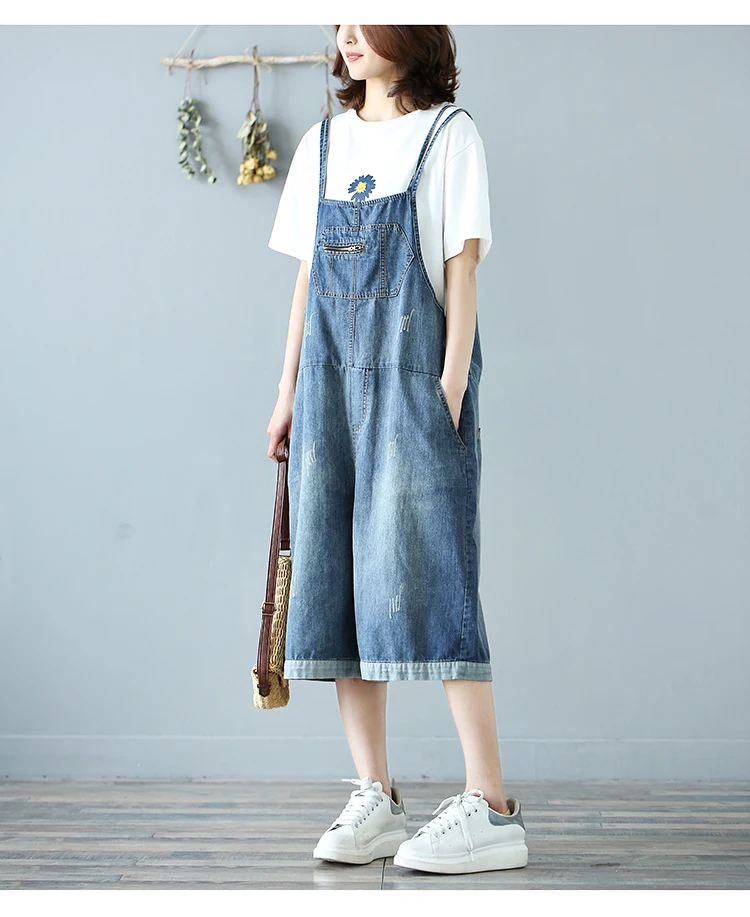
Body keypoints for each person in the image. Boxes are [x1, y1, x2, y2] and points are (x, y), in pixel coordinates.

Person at [265, 24, 528, 875]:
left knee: (437, 575)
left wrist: (446, 386)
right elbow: (308, 277)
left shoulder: (449, 135)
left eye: (368, 13)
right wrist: (287, 392)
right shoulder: (323, 144)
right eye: (341, 15)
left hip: (414, 382)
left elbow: (462, 267)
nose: (347, 30)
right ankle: (374, 792)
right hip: (327, 388)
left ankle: (490, 803)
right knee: (341, 580)